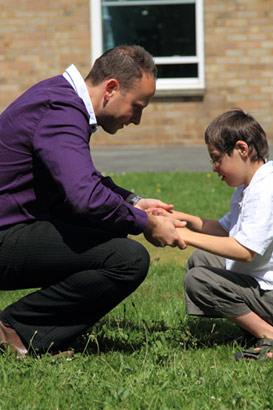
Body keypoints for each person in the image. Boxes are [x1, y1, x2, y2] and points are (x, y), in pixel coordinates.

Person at [0, 45, 185, 358]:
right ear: (111, 88)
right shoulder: (61, 111)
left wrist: (133, 202)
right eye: (137, 106)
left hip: (14, 227)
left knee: (110, 229)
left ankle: (22, 327)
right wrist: (147, 224)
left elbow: (80, 180)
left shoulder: (59, 97)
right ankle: (17, 330)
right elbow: (85, 197)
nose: (137, 119)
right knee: (128, 259)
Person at [152, 109, 273, 360]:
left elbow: (245, 251)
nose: (215, 168)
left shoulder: (265, 190)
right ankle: (252, 330)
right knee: (201, 260)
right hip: (259, 281)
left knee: (199, 280)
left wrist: (184, 235)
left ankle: (267, 333)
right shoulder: (247, 187)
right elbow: (224, 228)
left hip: (268, 290)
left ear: (242, 149)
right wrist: (179, 219)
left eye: (217, 158)